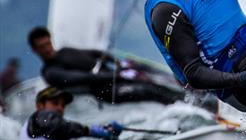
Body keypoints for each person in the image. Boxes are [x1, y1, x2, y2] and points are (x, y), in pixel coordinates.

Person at [27, 27, 186, 106]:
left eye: (47, 43)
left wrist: (114, 61)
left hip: (116, 76)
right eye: (42, 47)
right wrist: (117, 75)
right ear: (35, 50)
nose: (47, 48)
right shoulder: (50, 72)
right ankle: (185, 108)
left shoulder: (65, 51)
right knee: (149, 90)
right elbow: (84, 78)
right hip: (108, 91)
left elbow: (95, 53)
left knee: (152, 76)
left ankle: (190, 97)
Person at [18, 86, 124, 140]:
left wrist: (106, 135)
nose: (60, 108)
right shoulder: (42, 116)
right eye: (55, 103)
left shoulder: (33, 124)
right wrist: (89, 131)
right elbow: (59, 127)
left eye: (63, 105)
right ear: (40, 105)